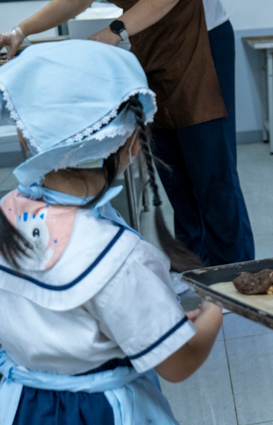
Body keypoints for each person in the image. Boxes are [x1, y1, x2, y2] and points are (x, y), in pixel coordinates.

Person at [0, 0, 254, 267]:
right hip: (152, 50)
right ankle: (194, 271)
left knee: (211, 172)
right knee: (175, 174)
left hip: (199, 45)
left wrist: (115, 31)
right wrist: (21, 31)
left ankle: (234, 275)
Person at [0, 40, 223, 424]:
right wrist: (217, 310)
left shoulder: (7, 212)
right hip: (98, 412)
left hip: (20, 404)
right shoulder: (119, 256)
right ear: (133, 144)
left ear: (25, 137)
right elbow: (177, 364)